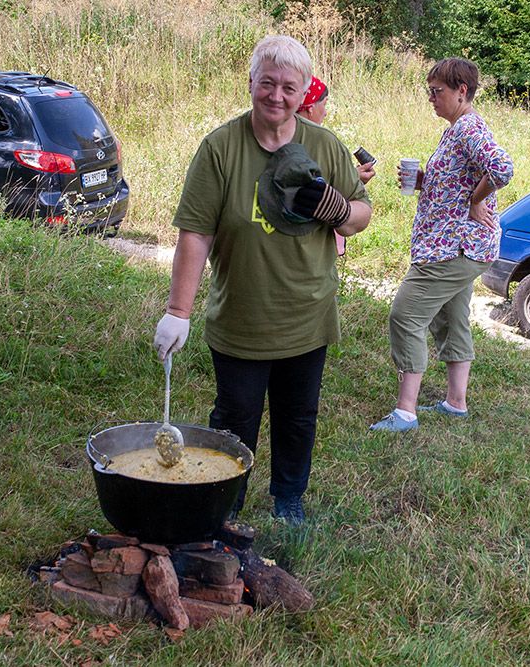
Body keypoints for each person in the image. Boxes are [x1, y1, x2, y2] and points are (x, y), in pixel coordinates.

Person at [153, 35, 372, 525]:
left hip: (307, 317)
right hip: (241, 320)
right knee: (234, 422)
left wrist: (340, 210)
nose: (276, 95)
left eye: (288, 87)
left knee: (298, 418)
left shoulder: (324, 146)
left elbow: (361, 213)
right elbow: (196, 233)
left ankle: (288, 500)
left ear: (304, 94)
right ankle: (225, 504)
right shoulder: (220, 148)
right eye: (267, 83)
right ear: (250, 83)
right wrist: (177, 312)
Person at [369, 57, 513, 432]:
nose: (431, 98)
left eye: (438, 92)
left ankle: (405, 412)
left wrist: (476, 200)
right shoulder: (456, 129)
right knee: (451, 319)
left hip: (453, 247)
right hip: (461, 245)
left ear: (461, 91)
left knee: (406, 315)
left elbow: (501, 169)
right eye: (429, 91)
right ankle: (456, 402)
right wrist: (423, 180)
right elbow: (458, 180)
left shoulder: (468, 128)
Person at [296, 75, 375, 185]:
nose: (325, 113)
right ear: (311, 108)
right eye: (324, 104)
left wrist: (350, 176)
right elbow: (316, 191)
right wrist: (353, 178)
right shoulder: (319, 141)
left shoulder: (281, 134)